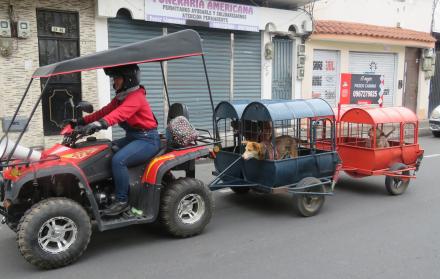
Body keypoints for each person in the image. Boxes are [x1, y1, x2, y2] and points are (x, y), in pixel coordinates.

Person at [73, 64, 160, 216]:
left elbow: (119, 114)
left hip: (147, 139)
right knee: (104, 151)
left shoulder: (136, 97)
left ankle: (122, 201)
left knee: (118, 160)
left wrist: (100, 125)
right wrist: (80, 121)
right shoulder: (121, 98)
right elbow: (103, 112)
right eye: (114, 78)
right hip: (133, 137)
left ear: (128, 79)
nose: (114, 82)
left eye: (117, 78)